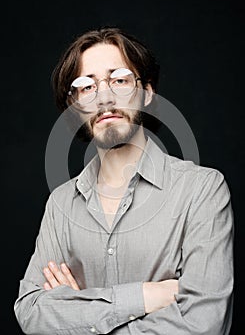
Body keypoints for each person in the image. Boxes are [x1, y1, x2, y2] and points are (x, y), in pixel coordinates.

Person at [14, 27, 234, 335]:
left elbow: (204, 325)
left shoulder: (202, 190)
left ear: (147, 92)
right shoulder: (61, 204)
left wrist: (77, 311)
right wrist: (145, 296)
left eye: (119, 80)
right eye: (86, 86)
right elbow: (32, 312)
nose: (104, 98)